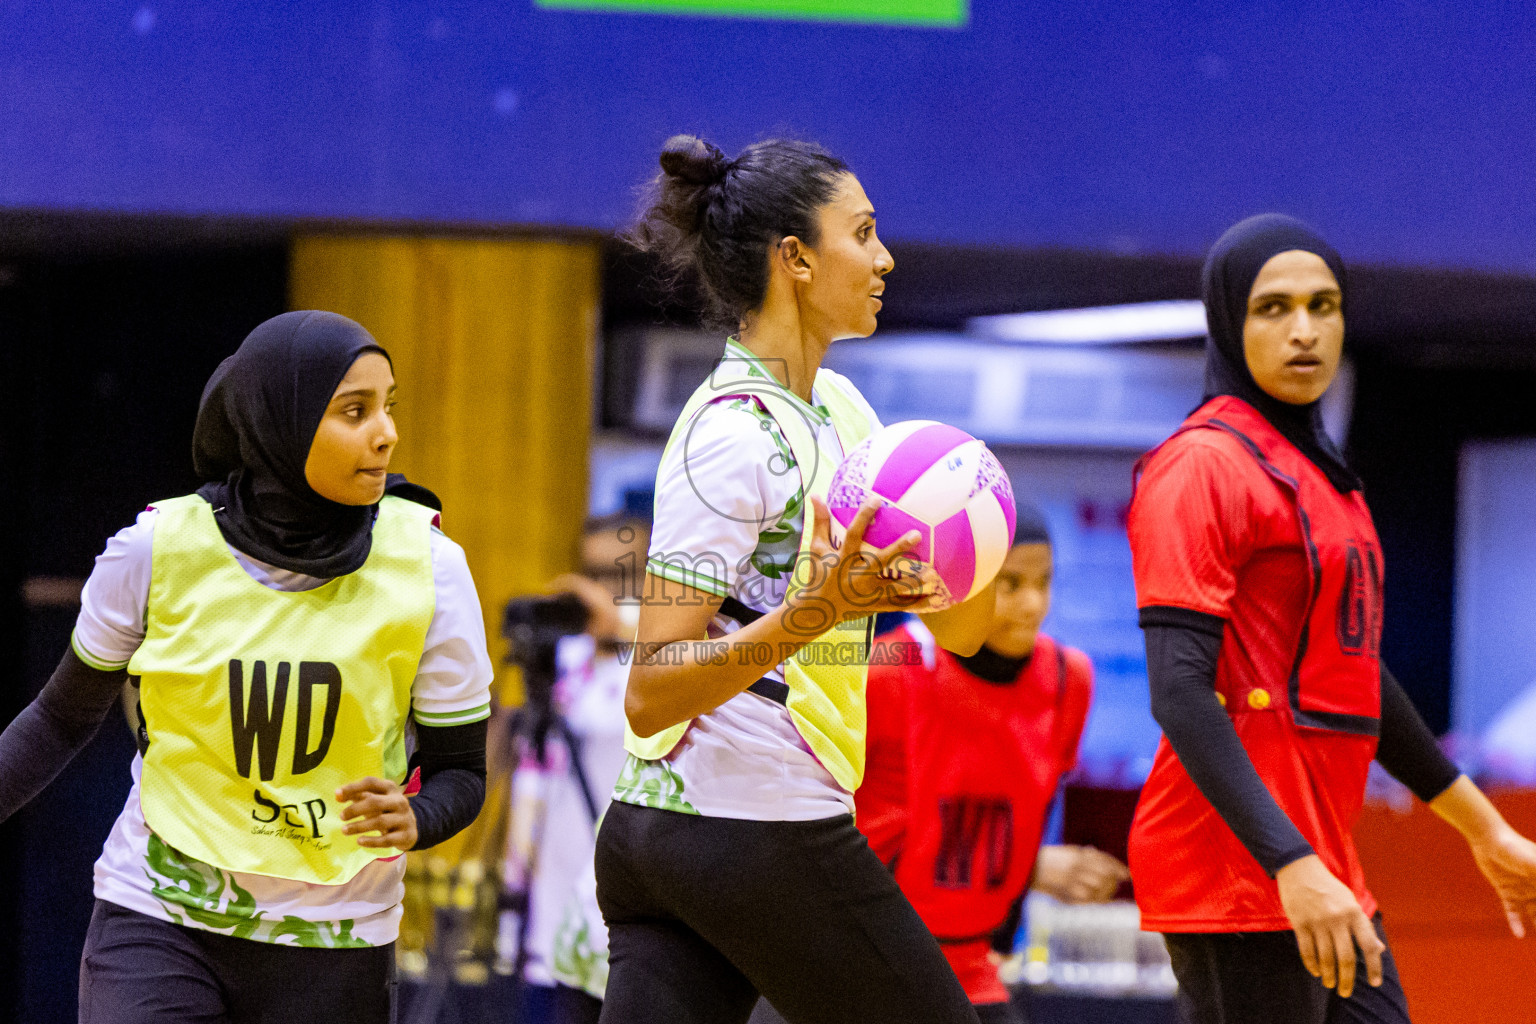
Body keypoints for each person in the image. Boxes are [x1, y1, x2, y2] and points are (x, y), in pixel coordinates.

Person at [595, 134, 999, 1024]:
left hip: (684, 836)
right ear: (796, 260)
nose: (885, 257)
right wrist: (819, 611)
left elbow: (965, 635)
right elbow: (650, 692)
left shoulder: (846, 414)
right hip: (746, 822)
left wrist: (968, 543)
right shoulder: (729, 434)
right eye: (863, 233)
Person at [0, 311, 494, 1023]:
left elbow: (464, 774)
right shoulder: (154, 549)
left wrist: (416, 817)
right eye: (355, 411)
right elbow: (58, 719)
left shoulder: (431, 566)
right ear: (278, 420)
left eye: (389, 408)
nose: (385, 432)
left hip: (338, 934)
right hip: (160, 910)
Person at [1126, 214, 1536, 1024]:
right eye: (1273, 308)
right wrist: (1289, 861)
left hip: (1321, 860)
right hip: (1240, 872)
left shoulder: (1321, 475)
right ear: (1227, 321)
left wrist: (1483, 829)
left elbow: (1355, 677)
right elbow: (1178, 692)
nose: (1305, 330)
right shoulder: (1202, 465)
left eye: (1324, 305)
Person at [856, 502, 1128, 1024]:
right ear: (962, 584)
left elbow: (1037, 810)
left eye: (1045, 582)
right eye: (1011, 584)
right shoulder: (887, 671)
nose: (1034, 603)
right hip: (865, 962)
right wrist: (1036, 871)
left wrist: (1016, 904)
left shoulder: (1069, 678)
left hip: (975, 965)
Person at [509, 513, 650, 1024]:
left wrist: (618, 629)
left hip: (626, 898)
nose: (602, 592)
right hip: (554, 893)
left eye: (620, 577)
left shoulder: (663, 660)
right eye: (594, 576)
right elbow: (532, 774)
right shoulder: (564, 658)